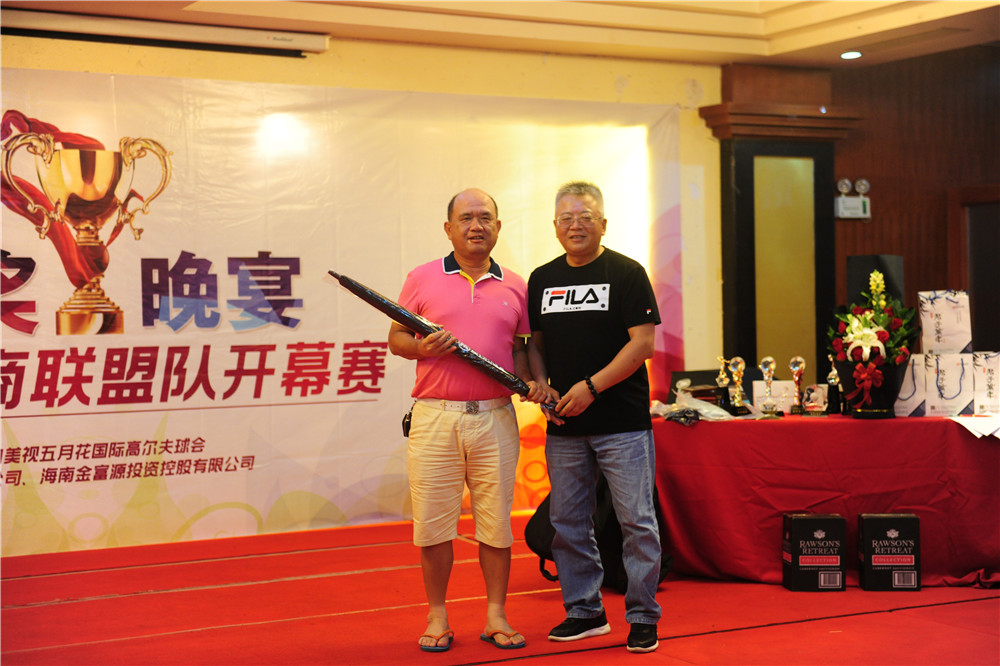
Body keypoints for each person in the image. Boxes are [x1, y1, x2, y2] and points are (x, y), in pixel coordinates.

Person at [388, 187, 544, 653]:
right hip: (435, 417)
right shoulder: (421, 277)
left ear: (498, 226)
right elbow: (397, 339)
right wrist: (422, 347)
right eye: (466, 218)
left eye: (485, 217)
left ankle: (496, 615)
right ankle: (437, 615)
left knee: (496, 524)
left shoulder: (517, 285)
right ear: (448, 228)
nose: (477, 226)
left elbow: (521, 349)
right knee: (433, 525)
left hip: (496, 416)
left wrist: (533, 382)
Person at [527, 181, 663, 654]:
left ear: (603, 223)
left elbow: (642, 344)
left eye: (585, 217)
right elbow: (535, 345)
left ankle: (642, 617)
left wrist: (591, 387)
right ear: (555, 226)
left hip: (622, 424)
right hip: (565, 425)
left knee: (637, 523)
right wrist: (541, 384)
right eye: (566, 218)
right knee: (567, 522)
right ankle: (584, 611)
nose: (575, 225)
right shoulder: (542, 278)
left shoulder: (626, 272)